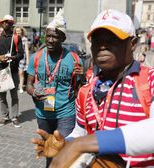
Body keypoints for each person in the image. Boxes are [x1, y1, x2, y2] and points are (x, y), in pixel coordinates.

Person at [32, 9, 154, 167]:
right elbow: (80, 131)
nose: (102, 46)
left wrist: (84, 144)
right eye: (96, 40)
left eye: (112, 39)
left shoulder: (149, 80)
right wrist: (67, 144)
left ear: (132, 44)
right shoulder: (86, 91)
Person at [26, 9, 83, 167]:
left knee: (62, 149)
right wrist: (34, 92)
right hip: (43, 113)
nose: (50, 40)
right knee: (49, 151)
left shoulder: (74, 60)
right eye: (48, 35)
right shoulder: (36, 57)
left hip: (66, 113)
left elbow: (79, 91)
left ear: (63, 38)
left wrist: (83, 78)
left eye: (55, 36)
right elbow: (28, 84)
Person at [0, 14, 24, 128]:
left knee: (14, 95)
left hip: (13, 70)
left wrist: (11, 58)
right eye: (4, 22)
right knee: (2, 95)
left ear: (11, 24)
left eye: (8, 22)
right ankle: (5, 116)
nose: (5, 23)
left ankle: (14, 117)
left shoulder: (16, 38)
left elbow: (21, 54)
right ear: (2, 23)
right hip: (1, 70)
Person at [14, 26, 30, 93]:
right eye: (17, 31)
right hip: (14, 57)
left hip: (22, 58)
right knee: (15, 73)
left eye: (19, 31)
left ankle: (21, 88)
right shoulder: (13, 38)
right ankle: (15, 86)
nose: (18, 32)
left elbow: (26, 50)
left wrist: (27, 60)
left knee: (21, 73)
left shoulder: (24, 39)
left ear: (22, 31)